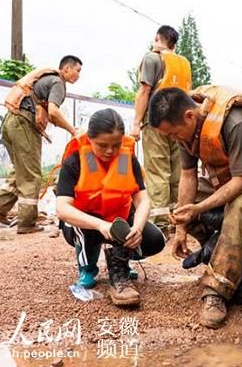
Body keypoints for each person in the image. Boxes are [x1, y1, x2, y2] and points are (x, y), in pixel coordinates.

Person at [149, 85, 242, 328]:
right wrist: (182, 225)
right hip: (229, 171)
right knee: (184, 204)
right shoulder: (186, 129)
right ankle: (219, 252)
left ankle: (217, 290)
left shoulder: (235, 121)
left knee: (240, 207)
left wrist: (199, 208)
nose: (174, 140)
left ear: (189, 117)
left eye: (173, 134)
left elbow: (241, 182)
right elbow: (187, 176)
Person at [56, 108, 165, 307]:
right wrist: (100, 225)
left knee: (155, 240)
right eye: (102, 145)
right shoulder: (75, 161)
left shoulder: (126, 159)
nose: (109, 151)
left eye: (115, 145)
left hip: (118, 221)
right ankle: (88, 267)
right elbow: (63, 209)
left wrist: (138, 228)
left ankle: (120, 260)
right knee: (84, 229)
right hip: (86, 224)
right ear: (90, 139)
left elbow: (142, 200)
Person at [0, 55, 82, 234]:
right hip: (23, 123)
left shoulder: (46, 79)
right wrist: (73, 130)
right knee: (31, 175)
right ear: (67, 68)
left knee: (20, 170)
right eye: (77, 70)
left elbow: (48, 112)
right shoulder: (58, 83)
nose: (78, 75)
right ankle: (27, 223)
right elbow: (53, 111)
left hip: (10, 121)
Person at [131, 25, 192, 229]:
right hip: (180, 125)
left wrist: (136, 123)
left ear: (158, 38)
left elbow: (144, 91)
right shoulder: (183, 63)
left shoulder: (152, 58)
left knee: (157, 172)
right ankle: (177, 219)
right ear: (174, 44)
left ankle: (159, 223)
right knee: (178, 171)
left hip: (156, 123)